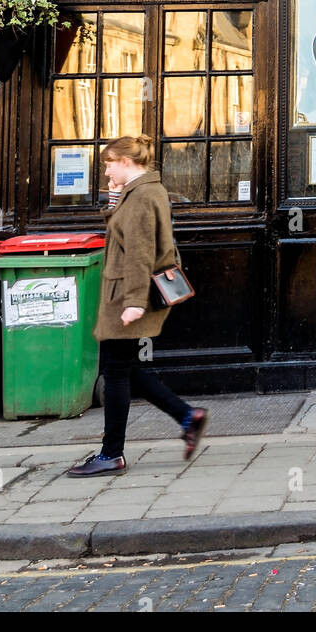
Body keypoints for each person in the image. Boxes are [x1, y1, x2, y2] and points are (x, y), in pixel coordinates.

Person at [67, 134, 207, 477]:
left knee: (114, 372)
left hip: (128, 295)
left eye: (108, 164)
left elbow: (140, 253)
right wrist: (114, 204)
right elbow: (123, 236)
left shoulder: (143, 196)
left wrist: (133, 303)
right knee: (125, 367)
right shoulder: (138, 192)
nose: (105, 171)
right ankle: (188, 417)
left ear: (126, 162)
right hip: (126, 293)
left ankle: (112, 454)